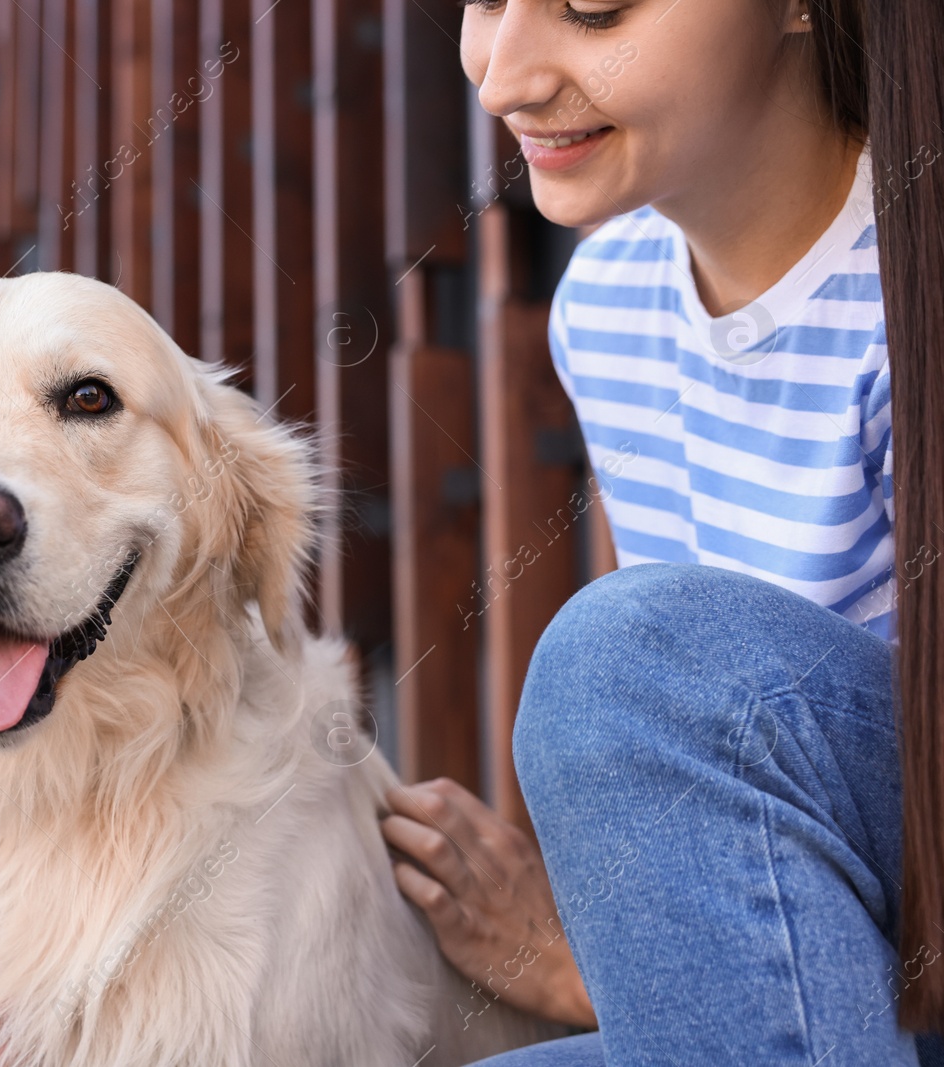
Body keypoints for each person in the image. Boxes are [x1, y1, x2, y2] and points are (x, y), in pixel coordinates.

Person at [380, 0, 944, 1062]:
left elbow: (687, 706)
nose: (502, 77)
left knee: (629, 663)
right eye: (486, 2)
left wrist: (578, 961)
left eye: (591, 11)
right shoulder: (607, 301)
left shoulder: (903, 290)